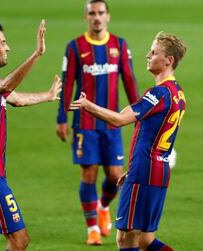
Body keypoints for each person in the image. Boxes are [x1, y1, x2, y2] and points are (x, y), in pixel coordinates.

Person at [69, 31, 187, 251]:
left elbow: (120, 119)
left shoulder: (159, 93)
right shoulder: (178, 93)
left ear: (169, 60)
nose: (148, 56)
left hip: (144, 171)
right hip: (159, 170)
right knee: (146, 239)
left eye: (154, 53)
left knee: (125, 238)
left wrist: (88, 106)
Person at [0, 21, 61, 251]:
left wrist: (46, 95)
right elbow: (5, 87)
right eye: (3, 43)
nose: (8, 48)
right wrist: (37, 54)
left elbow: (16, 98)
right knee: (19, 240)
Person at [55, 0, 139, 245]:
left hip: (113, 122)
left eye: (101, 13)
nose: (97, 17)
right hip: (85, 124)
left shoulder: (120, 45)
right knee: (89, 173)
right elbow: (68, 82)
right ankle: (92, 227)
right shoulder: (75, 47)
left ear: (108, 16)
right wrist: (62, 118)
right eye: (92, 13)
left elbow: (130, 80)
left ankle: (103, 207)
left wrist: (139, 112)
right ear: (86, 17)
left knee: (115, 176)